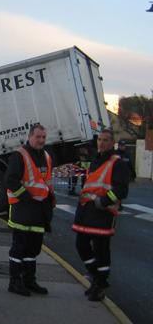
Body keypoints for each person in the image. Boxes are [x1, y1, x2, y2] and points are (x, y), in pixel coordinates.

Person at [72, 129, 129, 301]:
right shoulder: (96, 160)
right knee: (81, 244)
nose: (101, 143)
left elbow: (121, 190)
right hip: (87, 211)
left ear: (112, 143)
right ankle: (95, 276)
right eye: (100, 140)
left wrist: (104, 201)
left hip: (102, 213)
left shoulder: (117, 163)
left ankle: (100, 284)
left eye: (105, 140)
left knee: (101, 250)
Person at [6, 123, 56, 296]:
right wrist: (26, 199)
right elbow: (11, 181)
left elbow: (47, 183)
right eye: (38, 137)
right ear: (30, 137)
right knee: (19, 248)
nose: (41, 140)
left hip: (39, 211)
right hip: (23, 209)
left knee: (33, 249)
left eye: (43, 137)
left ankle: (29, 281)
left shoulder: (47, 157)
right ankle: (14, 282)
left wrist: (49, 203)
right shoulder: (19, 155)